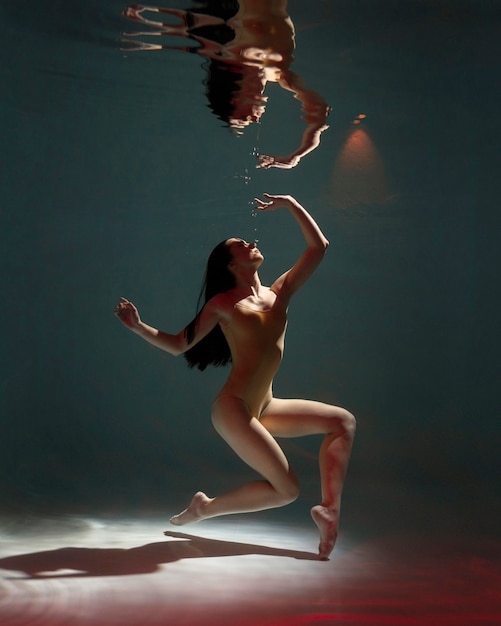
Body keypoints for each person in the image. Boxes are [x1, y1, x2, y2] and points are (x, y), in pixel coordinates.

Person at [114, 193, 355, 560]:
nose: (251, 243)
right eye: (241, 245)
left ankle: (327, 510)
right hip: (233, 408)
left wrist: (290, 203)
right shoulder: (223, 305)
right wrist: (138, 327)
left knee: (342, 422)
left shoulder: (279, 294)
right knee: (286, 489)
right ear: (231, 265)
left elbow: (319, 247)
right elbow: (180, 344)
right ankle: (205, 510)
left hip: (265, 405)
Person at [122, 1, 330, 169]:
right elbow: (319, 113)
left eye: (244, 117)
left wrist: (146, 19)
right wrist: (295, 157)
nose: (255, 117)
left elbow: (184, 29)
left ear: (234, 98)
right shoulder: (278, 73)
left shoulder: (231, 51)